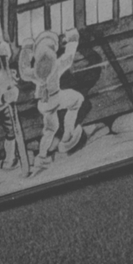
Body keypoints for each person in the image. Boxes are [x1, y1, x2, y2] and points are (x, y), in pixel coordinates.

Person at [18, 29, 84, 172]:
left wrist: (26, 49)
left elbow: (23, 71)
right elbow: (68, 58)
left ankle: (41, 157)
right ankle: (67, 136)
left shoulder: (35, 72)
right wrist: (73, 39)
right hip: (56, 97)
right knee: (77, 100)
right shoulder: (56, 66)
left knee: (50, 130)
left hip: (44, 104)